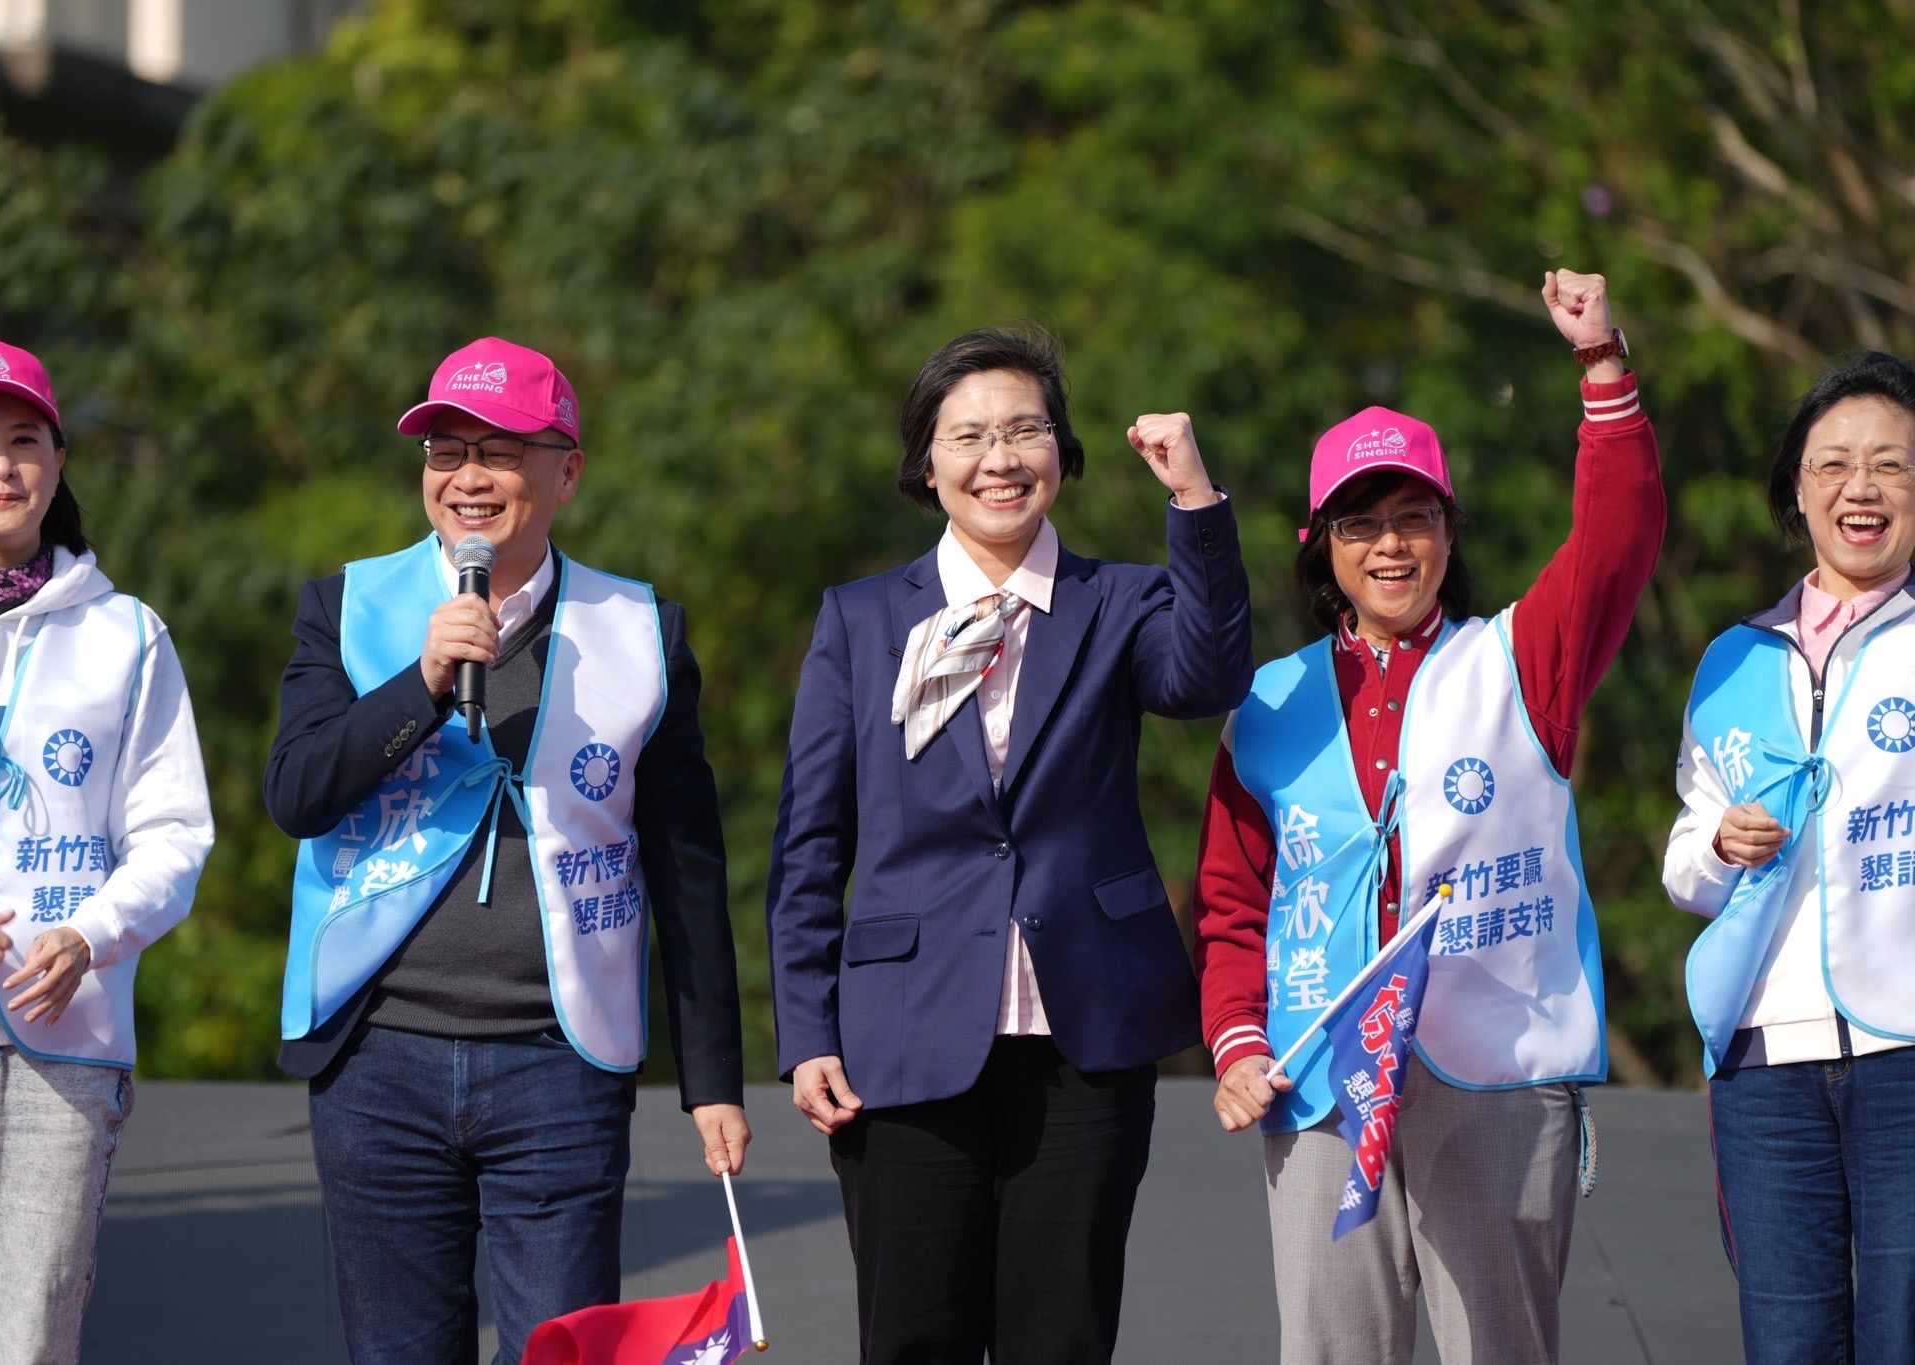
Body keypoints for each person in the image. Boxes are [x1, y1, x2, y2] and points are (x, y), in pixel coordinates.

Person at [1192, 271, 1661, 1365]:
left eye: (1414, 518)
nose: (1391, 546)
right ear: (1321, 546)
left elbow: (1617, 538)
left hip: (1491, 1071)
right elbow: (1230, 903)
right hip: (1318, 1078)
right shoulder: (1267, 703)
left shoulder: (1518, 662)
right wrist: (1237, 1043)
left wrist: (1601, 366)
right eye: (1361, 524)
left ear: (1450, 530)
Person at [766, 323, 1252, 1363]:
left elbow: (1206, 677)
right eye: (969, 436)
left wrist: (1194, 500)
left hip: (1083, 1038)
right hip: (902, 1036)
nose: (999, 458)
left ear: (1061, 454)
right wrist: (805, 1027)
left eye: (1025, 430)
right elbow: (810, 840)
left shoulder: (1118, 601)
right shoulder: (859, 619)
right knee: (912, 1339)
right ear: (926, 464)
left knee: (1060, 1339)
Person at [266, 337, 748, 1364]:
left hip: (557, 1063)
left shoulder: (640, 628)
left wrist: (711, 1077)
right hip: (377, 1059)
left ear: (566, 471)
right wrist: (422, 683)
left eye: (500, 451)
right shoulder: (349, 607)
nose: (467, 477)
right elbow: (297, 794)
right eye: (445, 452)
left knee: (561, 1350)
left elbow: (686, 866)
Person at [0, 337, 214, 1363]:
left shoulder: (127, 635)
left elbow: (173, 833)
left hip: (64, 1037)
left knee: (35, 1336)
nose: (1, 465)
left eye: (25, 440)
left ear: (59, 463)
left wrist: (91, 933)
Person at [1663, 352, 1915, 1365]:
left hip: (1906, 1049)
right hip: (1764, 1060)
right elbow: (1685, 862)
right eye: (1834, 465)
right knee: (1786, 1340)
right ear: (1796, 491)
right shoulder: (1733, 657)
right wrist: (1721, 844)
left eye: (1891, 465)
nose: (1862, 488)